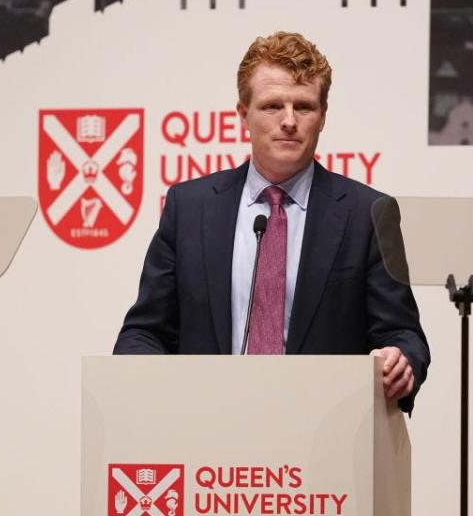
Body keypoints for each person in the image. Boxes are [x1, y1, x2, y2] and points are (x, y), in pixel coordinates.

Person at [114, 31, 429, 413]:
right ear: (241, 114)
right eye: (272, 106)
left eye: (304, 107)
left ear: (323, 116)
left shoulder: (369, 213)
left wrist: (401, 359)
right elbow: (146, 331)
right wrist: (143, 382)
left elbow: (403, 333)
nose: (289, 121)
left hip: (327, 434)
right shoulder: (189, 208)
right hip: (205, 427)